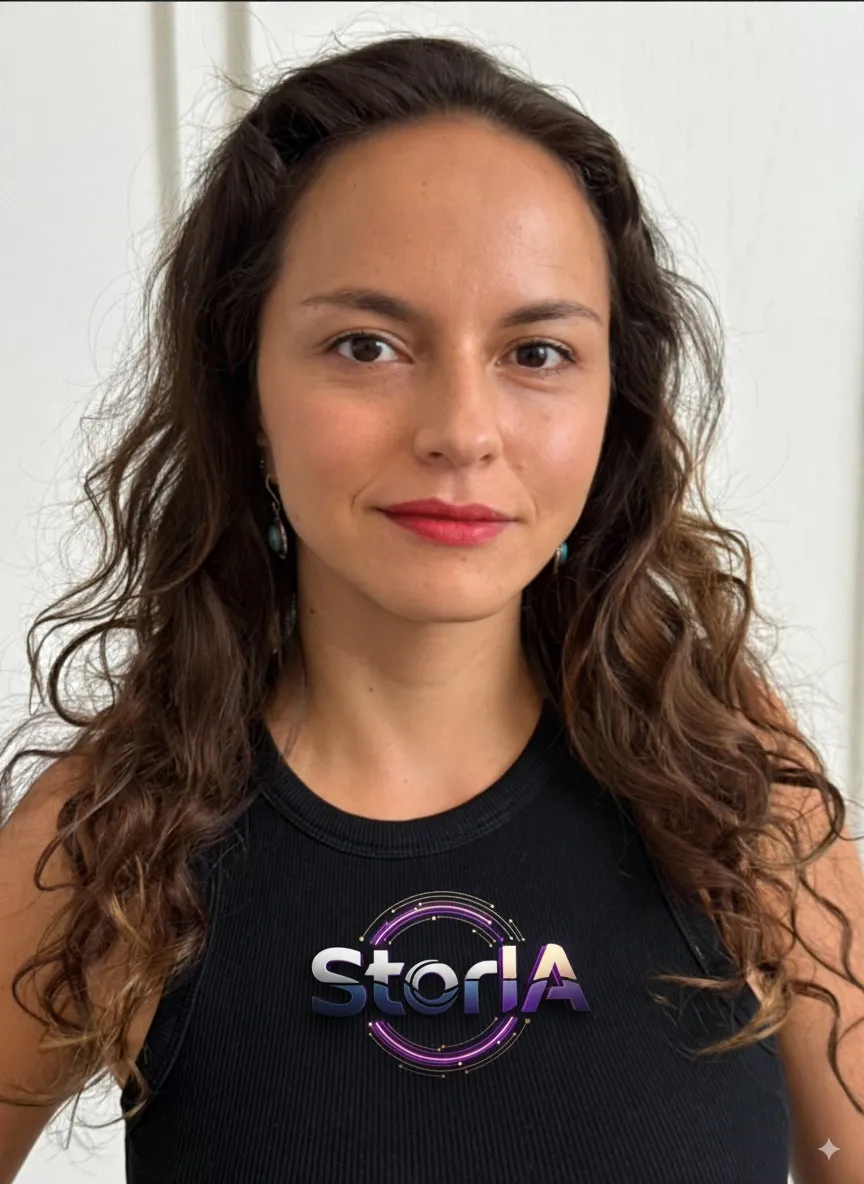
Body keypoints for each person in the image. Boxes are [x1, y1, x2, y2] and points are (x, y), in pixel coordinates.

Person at [1, 31, 862, 1184]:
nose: (462, 429)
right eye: (367, 345)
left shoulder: (734, 785)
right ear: (245, 386)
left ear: (614, 400)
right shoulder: (113, 829)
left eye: (537, 351)